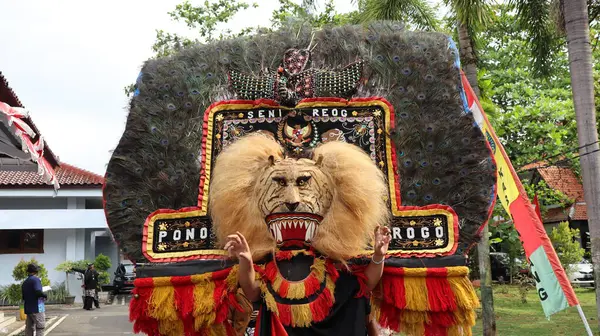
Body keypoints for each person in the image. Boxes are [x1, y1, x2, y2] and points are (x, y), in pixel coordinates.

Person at [21, 264, 47, 336]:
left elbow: (23, 297)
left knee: (29, 328)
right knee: (40, 327)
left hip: (28, 308)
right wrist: (45, 295)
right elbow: (38, 292)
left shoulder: (25, 282)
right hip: (37, 308)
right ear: (36, 271)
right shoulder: (36, 280)